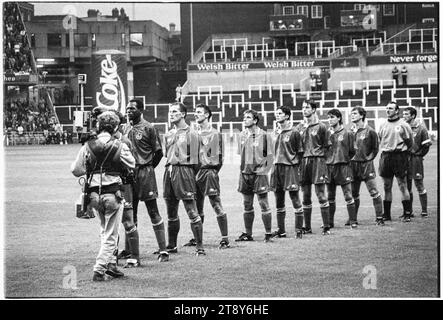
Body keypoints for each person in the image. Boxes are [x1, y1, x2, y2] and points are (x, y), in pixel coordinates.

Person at [71, 111, 135, 282]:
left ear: (98, 126)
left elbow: (76, 170)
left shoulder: (88, 145)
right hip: (114, 193)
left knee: (103, 230)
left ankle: (111, 264)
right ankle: (99, 269)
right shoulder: (119, 145)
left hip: (93, 195)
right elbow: (132, 163)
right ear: (115, 127)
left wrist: (92, 169)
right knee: (111, 235)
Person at [121, 99, 169, 263]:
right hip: (128, 175)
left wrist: (148, 167)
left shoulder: (149, 127)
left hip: (145, 173)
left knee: (152, 211)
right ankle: (129, 251)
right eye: (127, 108)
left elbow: (159, 152)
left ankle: (163, 250)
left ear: (141, 110)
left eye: (132, 108)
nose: (129, 111)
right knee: (130, 212)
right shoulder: (125, 128)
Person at [184, 104, 230, 249]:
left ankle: (225, 239)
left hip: (209, 172)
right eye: (195, 112)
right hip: (194, 173)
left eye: (199, 112)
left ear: (207, 115)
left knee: (216, 204)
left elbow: (220, 158)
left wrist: (213, 172)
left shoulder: (214, 133)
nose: (196, 114)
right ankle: (198, 238)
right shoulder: (193, 133)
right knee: (197, 207)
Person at [163, 102, 205, 255]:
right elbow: (165, 154)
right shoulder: (168, 134)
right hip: (169, 171)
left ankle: (199, 247)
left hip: (184, 171)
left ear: (183, 114)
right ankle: (172, 246)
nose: (171, 114)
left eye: (174, 111)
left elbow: (198, 160)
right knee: (171, 212)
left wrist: (191, 176)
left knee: (191, 210)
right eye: (170, 111)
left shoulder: (192, 133)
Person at [236, 109, 274, 242]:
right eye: (244, 117)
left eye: (247, 117)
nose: (244, 120)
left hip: (259, 175)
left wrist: (263, 171)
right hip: (245, 174)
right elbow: (241, 155)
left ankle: (268, 234)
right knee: (247, 204)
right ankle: (248, 234)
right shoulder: (241, 135)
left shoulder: (264, 135)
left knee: (263, 204)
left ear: (255, 120)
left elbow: (270, 157)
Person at [295, 100, 331, 235]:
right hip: (304, 162)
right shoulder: (299, 127)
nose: (304, 110)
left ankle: (326, 226)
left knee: (321, 194)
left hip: (318, 162)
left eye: (307, 107)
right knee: (305, 196)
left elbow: (327, 147)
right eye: (303, 107)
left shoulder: (322, 127)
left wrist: (322, 161)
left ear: (314, 109)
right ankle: (307, 227)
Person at [270, 106, 304, 239]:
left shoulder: (294, 132)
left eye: (280, 113)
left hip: (290, 168)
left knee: (294, 197)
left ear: (287, 116)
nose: (277, 115)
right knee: (279, 199)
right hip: (276, 168)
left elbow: (300, 152)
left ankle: (299, 230)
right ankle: (281, 231)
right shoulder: (275, 132)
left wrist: (295, 166)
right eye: (276, 113)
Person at [378, 101, 413, 222]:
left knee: (402, 185)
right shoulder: (382, 124)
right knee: (386, 186)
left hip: (399, 156)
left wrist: (403, 149)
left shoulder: (403, 124)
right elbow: (380, 139)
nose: (388, 110)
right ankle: (386, 214)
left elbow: (410, 143)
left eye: (391, 108)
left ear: (397, 111)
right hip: (386, 156)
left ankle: (407, 213)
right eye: (387, 108)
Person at [349, 106, 384, 225]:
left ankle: (379, 217)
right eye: (351, 113)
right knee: (354, 193)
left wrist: (368, 159)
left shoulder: (370, 131)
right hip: (353, 166)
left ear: (361, 115)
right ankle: (353, 219)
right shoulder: (350, 130)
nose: (352, 115)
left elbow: (375, 148)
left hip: (366, 166)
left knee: (373, 191)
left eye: (354, 113)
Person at [325, 109, 357, 229]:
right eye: (328, 117)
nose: (330, 120)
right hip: (329, 167)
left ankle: (353, 221)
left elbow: (353, 151)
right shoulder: (327, 134)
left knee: (348, 194)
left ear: (339, 118)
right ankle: (330, 222)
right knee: (330, 196)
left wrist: (344, 159)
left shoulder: (347, 133)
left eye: (332, 117)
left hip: (343, 167)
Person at [403, 107, 432, 218]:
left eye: (406, 114)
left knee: (419, 184)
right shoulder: (402, 127)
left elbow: (426, 146)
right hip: (404, 160)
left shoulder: (421, 129)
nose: (404, 116)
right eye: (403, 114)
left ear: (413, 116)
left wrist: (419, 155)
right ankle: (409, 211)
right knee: (407, 185)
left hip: (416, 160)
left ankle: (424, 210)